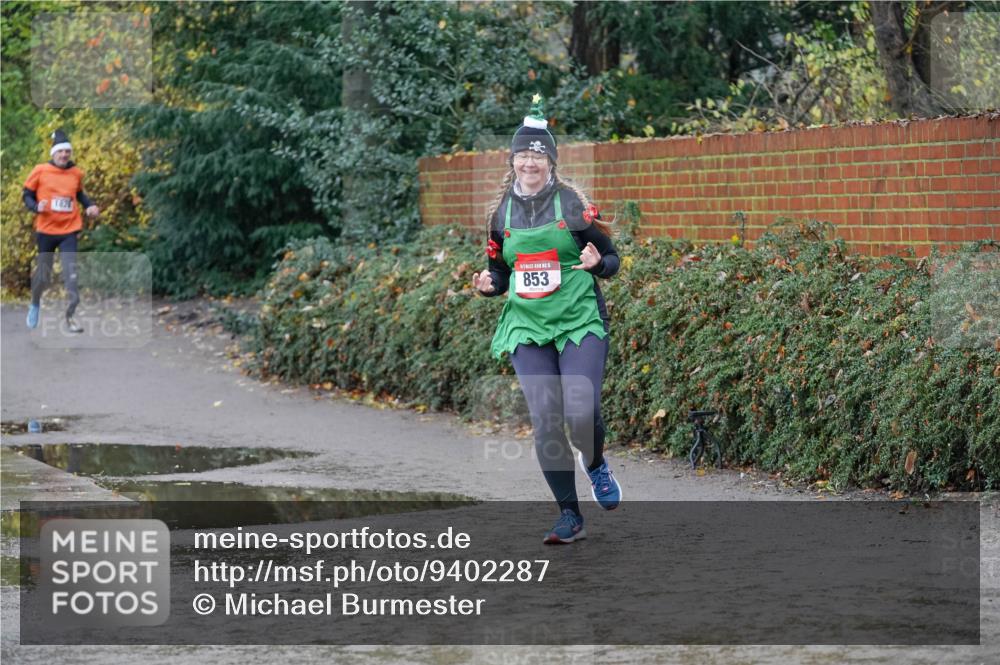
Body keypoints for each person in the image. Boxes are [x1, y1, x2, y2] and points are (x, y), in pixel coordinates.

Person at [473, 95, 622, 544]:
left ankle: (594, 463)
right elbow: (500, 270)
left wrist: (598, 265)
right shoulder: (501, 214)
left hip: (578, 316)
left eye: (538, 154)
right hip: (527, 323)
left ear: (551, 161)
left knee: (581, 408)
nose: (529, 162)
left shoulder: (573, 205)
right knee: (545, 417)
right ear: (513, 161)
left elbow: (613, 258)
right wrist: (490, 285)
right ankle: (569, 515)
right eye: (523, 154)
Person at [22, 129, 99, 333]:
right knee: (43, 276)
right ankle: (35, 303)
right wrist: (35, 206)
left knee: (71, 275)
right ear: (53, 153)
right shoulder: (40, 170)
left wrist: (89, 205)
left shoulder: (76, 173)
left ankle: (71, 317)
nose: (64, 155)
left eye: (67, 152)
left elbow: (80, 194)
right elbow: (27, 195)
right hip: (46, 231)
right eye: (60, 152)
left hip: (69, 230)